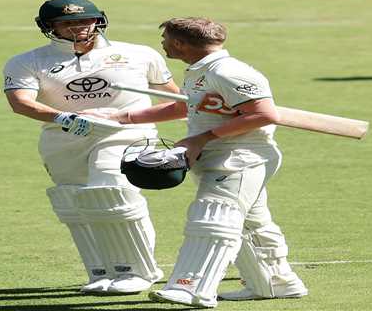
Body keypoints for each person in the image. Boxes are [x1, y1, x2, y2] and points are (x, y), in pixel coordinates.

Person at [94, 17, 308, 307]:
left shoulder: (230, 72)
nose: (163, 44)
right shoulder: (200, 70)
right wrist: (125, 117)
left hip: (241, 155)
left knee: (213, 216)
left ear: (180, 44)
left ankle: (191, 287)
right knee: (250, 223)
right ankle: (275, 283)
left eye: (166, 39)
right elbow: (185, 106)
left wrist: (201, 138)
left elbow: (264, 114)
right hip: (220, 153)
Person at [2, 0, 180, 294]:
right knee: (75, 202)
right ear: (49, 27)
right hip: (63, 138)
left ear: (99, 19)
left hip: (124, 132)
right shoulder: (27, 61)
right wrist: (64, 117)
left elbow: (173, 98)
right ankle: (102, 270)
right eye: (67, 23)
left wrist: (132, 118)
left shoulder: (138, 54)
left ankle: (137, 271)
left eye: (84, 20)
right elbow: (21, 103)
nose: (78, 28)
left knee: (111, 190)